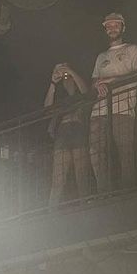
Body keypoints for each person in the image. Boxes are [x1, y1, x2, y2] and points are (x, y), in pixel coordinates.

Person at [88, 14, 137, 194]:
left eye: (116, 25)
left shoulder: (132, 49)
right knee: (95, 150)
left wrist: (113, 80)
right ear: (105, 29)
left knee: (124, 149)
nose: (112, 29)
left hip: (123, 106)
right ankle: (103, 192)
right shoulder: (101, 56)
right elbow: (94, 81)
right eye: (109, 26)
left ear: (123, 28)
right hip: (99, 109)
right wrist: (97, 85)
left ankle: (128, 190)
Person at [43, 62, 92, 205]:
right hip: (62, 131)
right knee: (58, 177)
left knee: (81, 174)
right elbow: (47, 108)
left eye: (63, 69)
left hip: (78, 127)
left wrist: (71, 72)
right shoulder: (58, 91)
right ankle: (52, 210)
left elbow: (85, 92)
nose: (62, 73)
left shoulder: (77, 83)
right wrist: (53, 82)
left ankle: (85, 206)